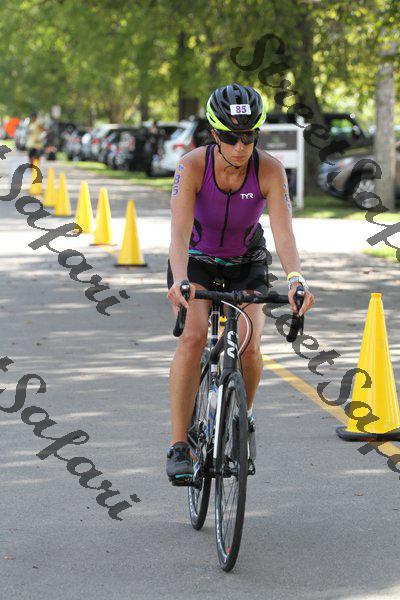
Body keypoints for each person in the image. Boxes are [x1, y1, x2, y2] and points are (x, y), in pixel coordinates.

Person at [165, 83, 315, 483]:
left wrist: (296, 278)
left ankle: (242, 416)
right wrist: (179, 279)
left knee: (249, 345)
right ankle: (179, 444)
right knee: (193, 337)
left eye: (249, 137)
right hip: (196, 262)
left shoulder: (269, 170)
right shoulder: (192, 166)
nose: (240, 146)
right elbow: (178, 232)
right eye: (231, 137)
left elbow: (283, 231)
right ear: (215, 135)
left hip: (247, 262)